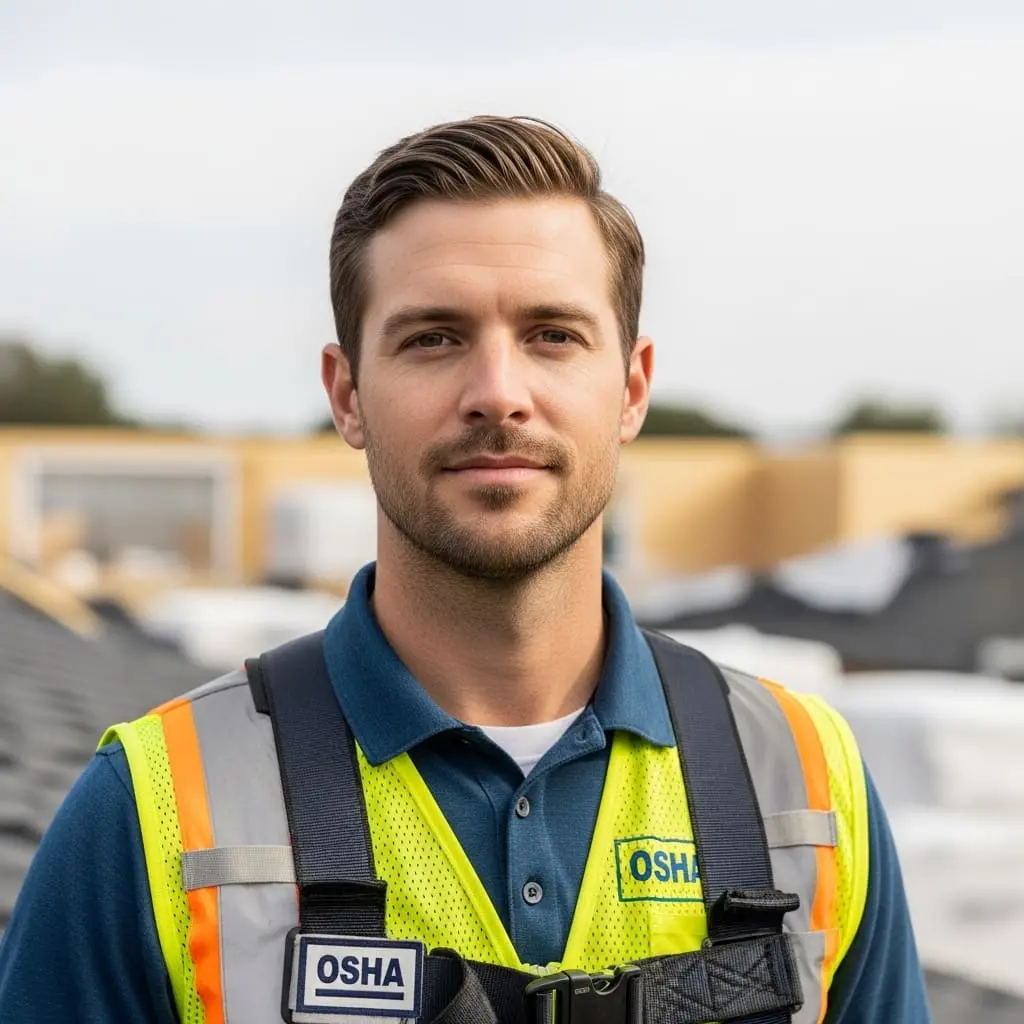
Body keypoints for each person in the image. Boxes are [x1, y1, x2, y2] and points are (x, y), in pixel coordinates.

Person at [0, 115, 930, 1024]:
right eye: (433, 338)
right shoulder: (155, 808)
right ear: (347, 393)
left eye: (553, 335)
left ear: (633, 389)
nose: (498, 394)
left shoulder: (806, 783)